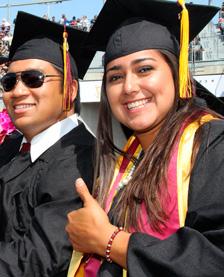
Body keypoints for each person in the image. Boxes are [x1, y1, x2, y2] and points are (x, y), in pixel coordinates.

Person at [66, 0, 224, 276]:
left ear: (176, 73)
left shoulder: (213, 144)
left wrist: (110, 242)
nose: (128, 87)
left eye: (144, 69)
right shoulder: (129, 160)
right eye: (115, 77)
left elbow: (214, 259)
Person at [0, 11, 96, 276]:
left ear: (71, 90)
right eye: (9, 82)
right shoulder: (13, 149)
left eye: (33, 79)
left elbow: (36, 261)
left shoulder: (80, 160)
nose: (18, 91)